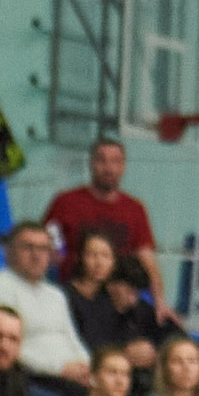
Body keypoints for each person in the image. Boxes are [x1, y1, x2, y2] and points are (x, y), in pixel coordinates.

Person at [43, 135, 174, 322]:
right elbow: (46, 245)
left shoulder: (135, 209)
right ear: (91, 163)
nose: (109, 168)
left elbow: (148, 261)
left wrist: (160, 303)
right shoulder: (65, 202)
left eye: (115, 161)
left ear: (123, 166)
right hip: (75, 293)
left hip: (121, 298)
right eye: (101, 160)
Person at [0, 220, 92, 396]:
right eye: (28, 247)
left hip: (72, 376)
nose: (37, 255)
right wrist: (59, 369)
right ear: (9, 251)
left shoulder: (56, 294)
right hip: (33, 377)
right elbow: (5, 348)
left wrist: (87, 367)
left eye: (43, 249)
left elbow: (72, 338)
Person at [63, 229, 164, 376]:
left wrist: (153, 352)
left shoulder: (113, 297)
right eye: (92, 255)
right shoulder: (63, 296)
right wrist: (123, 353)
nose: (99, 262)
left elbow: (154, 322)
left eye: (105, 256)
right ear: (79, 257)